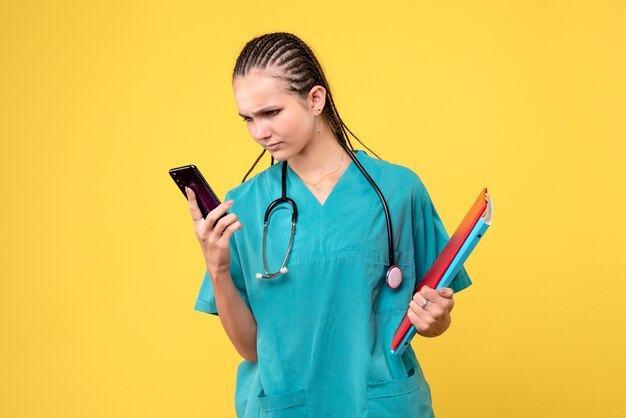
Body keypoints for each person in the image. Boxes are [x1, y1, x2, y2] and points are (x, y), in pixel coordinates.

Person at [185, 32, 472, 418]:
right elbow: (251, 349)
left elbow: (430, 318)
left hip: (381, 405)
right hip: (287, 406)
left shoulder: (398, 192)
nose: (259, 132)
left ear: (315, 99)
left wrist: (436, 319)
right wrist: (218, 268)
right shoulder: (244, 207)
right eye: (248, 119)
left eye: (271, 113)